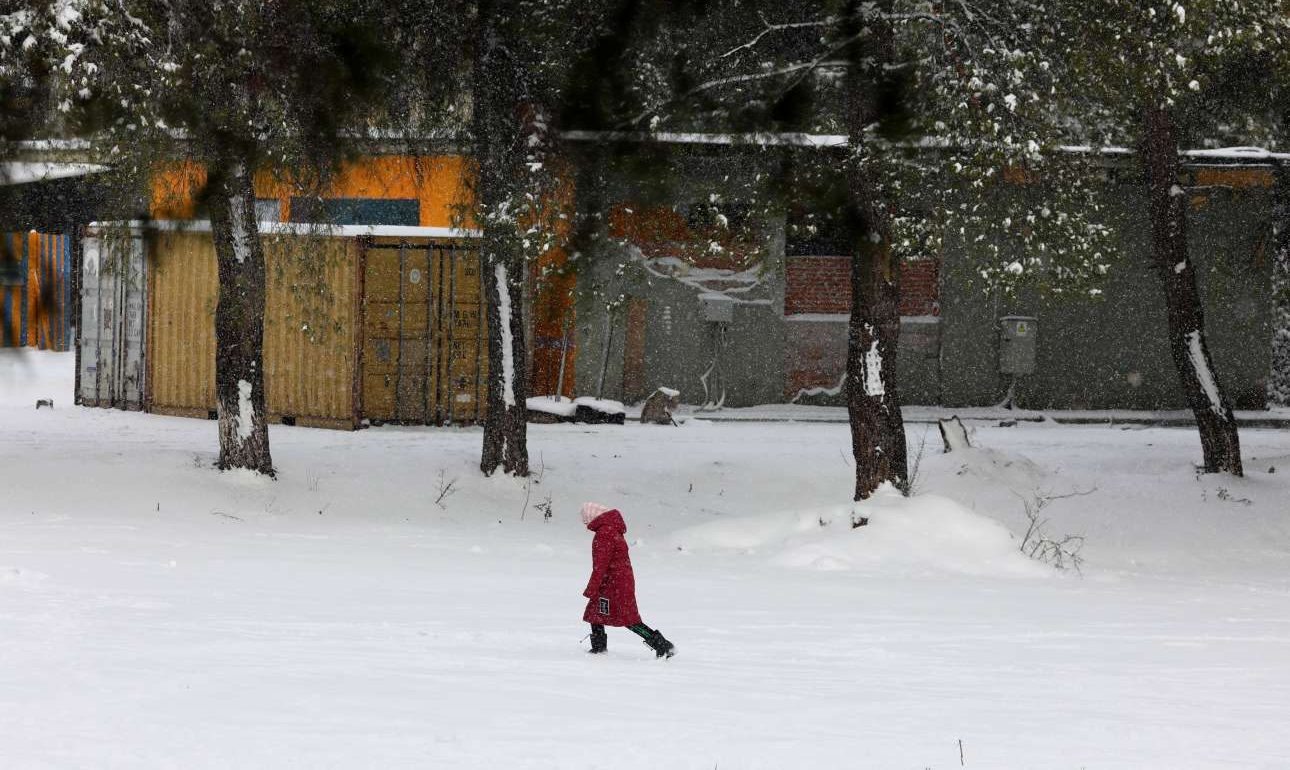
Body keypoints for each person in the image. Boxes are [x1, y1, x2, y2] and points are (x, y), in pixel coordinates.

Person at [580, 502, 675, 658]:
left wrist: (591, 588)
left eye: (586, 519)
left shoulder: (604, 533)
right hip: (617, 581)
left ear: (592, 517)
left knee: (627, 619)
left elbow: (600, 565)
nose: (585, 524)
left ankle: (663, 645)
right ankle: (598, 648)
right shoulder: (612, 529)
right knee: (595, 613)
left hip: (612, 583)